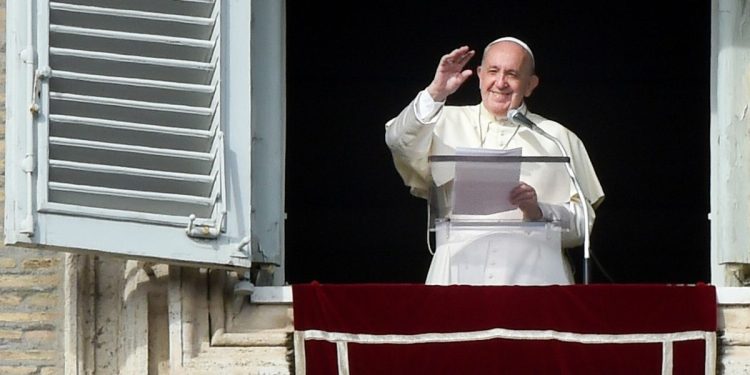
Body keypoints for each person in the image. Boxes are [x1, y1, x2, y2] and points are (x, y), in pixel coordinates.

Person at [385, 37, 604, 285]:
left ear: (530, 84)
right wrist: (436, 92)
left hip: (535, 278)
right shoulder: (440, 121)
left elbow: (582, 227)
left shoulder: (557, 137)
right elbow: (398, 141)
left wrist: (539, 210)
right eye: (493, 71)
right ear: (479, 75)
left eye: (512, 74)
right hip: (456, 274)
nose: (500, 83)